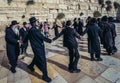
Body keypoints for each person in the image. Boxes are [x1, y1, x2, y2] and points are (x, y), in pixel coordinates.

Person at [26, 17, 52, 82]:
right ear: (34, 22)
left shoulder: (30, 30)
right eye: (36, 21)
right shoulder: (35, 30)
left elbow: (26, 37)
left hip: (35, 48)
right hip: (39, 48)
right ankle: (45, 76)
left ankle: (30, 66)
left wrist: (22, 41)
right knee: (43, 61)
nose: (37, 22)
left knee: (36, 57)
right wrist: (50, 40)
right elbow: (42, 37)